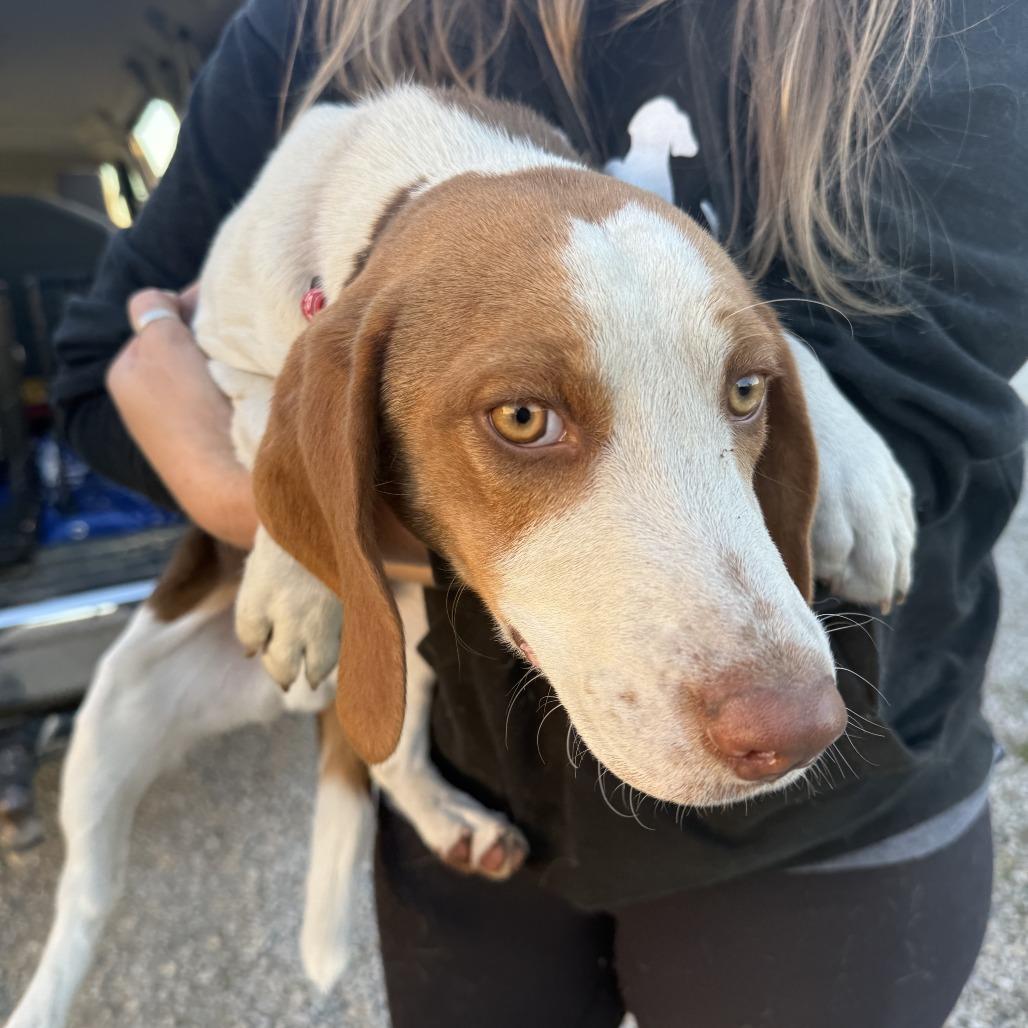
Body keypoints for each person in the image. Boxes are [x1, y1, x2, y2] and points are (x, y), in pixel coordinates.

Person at [52, 1, 1026, 1025]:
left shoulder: (937, 24)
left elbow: (927, 407)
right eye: (525, 415)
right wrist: (265, 504)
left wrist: (776, 379)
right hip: (484, 807)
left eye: (745, 389)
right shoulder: (299, 41)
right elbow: (103, 368)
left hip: (831, 822)